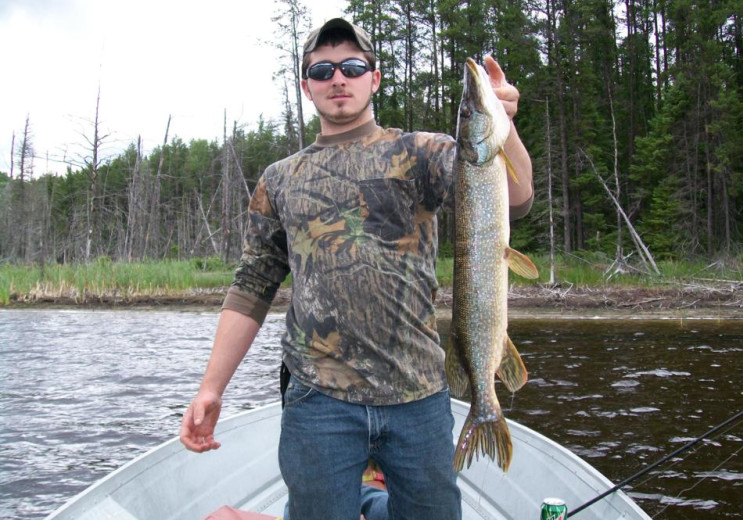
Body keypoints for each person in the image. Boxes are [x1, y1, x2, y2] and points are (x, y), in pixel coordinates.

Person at [180, 17, 533, 520]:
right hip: (317, 400)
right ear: (306, 85)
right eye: (322, 70)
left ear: (375, 77)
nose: (337, 78)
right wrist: (211, 388)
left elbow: (515, 200)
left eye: (351, 66)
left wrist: (504, 120)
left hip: (418, 392)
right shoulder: (280, 179)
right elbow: (251, 287)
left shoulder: (422, 153)